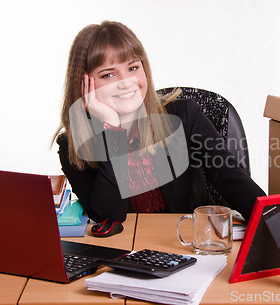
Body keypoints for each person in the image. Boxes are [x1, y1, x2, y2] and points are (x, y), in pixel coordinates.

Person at [54, 20, 266, 237]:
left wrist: (274, 220)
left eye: (133, 68)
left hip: (191, 244)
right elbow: (109, 217)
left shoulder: (182, 115)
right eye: (108, 74)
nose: (126, 82)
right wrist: (112, 131)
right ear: (84, 84)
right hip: (125, 253)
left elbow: (228, 174)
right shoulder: (71, 146)